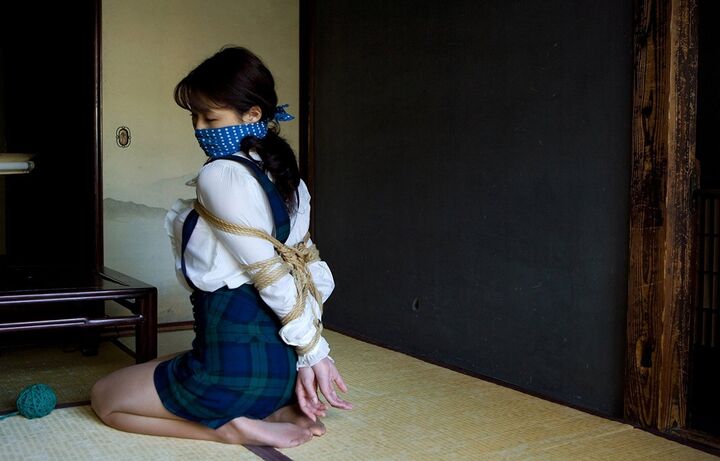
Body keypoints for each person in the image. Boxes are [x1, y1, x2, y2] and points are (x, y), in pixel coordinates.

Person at [91, 46, 352, 448]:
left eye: (210, 118)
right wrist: (306, 353)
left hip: (234, 372)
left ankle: (229, 428)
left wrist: (315, 352)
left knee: (106, 397)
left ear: (252, 114)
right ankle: (275, 408)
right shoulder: (291, 179)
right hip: (282, 371)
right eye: (194, 118)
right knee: (162, 365)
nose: (200, 129)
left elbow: (271, 275)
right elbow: (309, 271)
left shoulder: (220, 174)